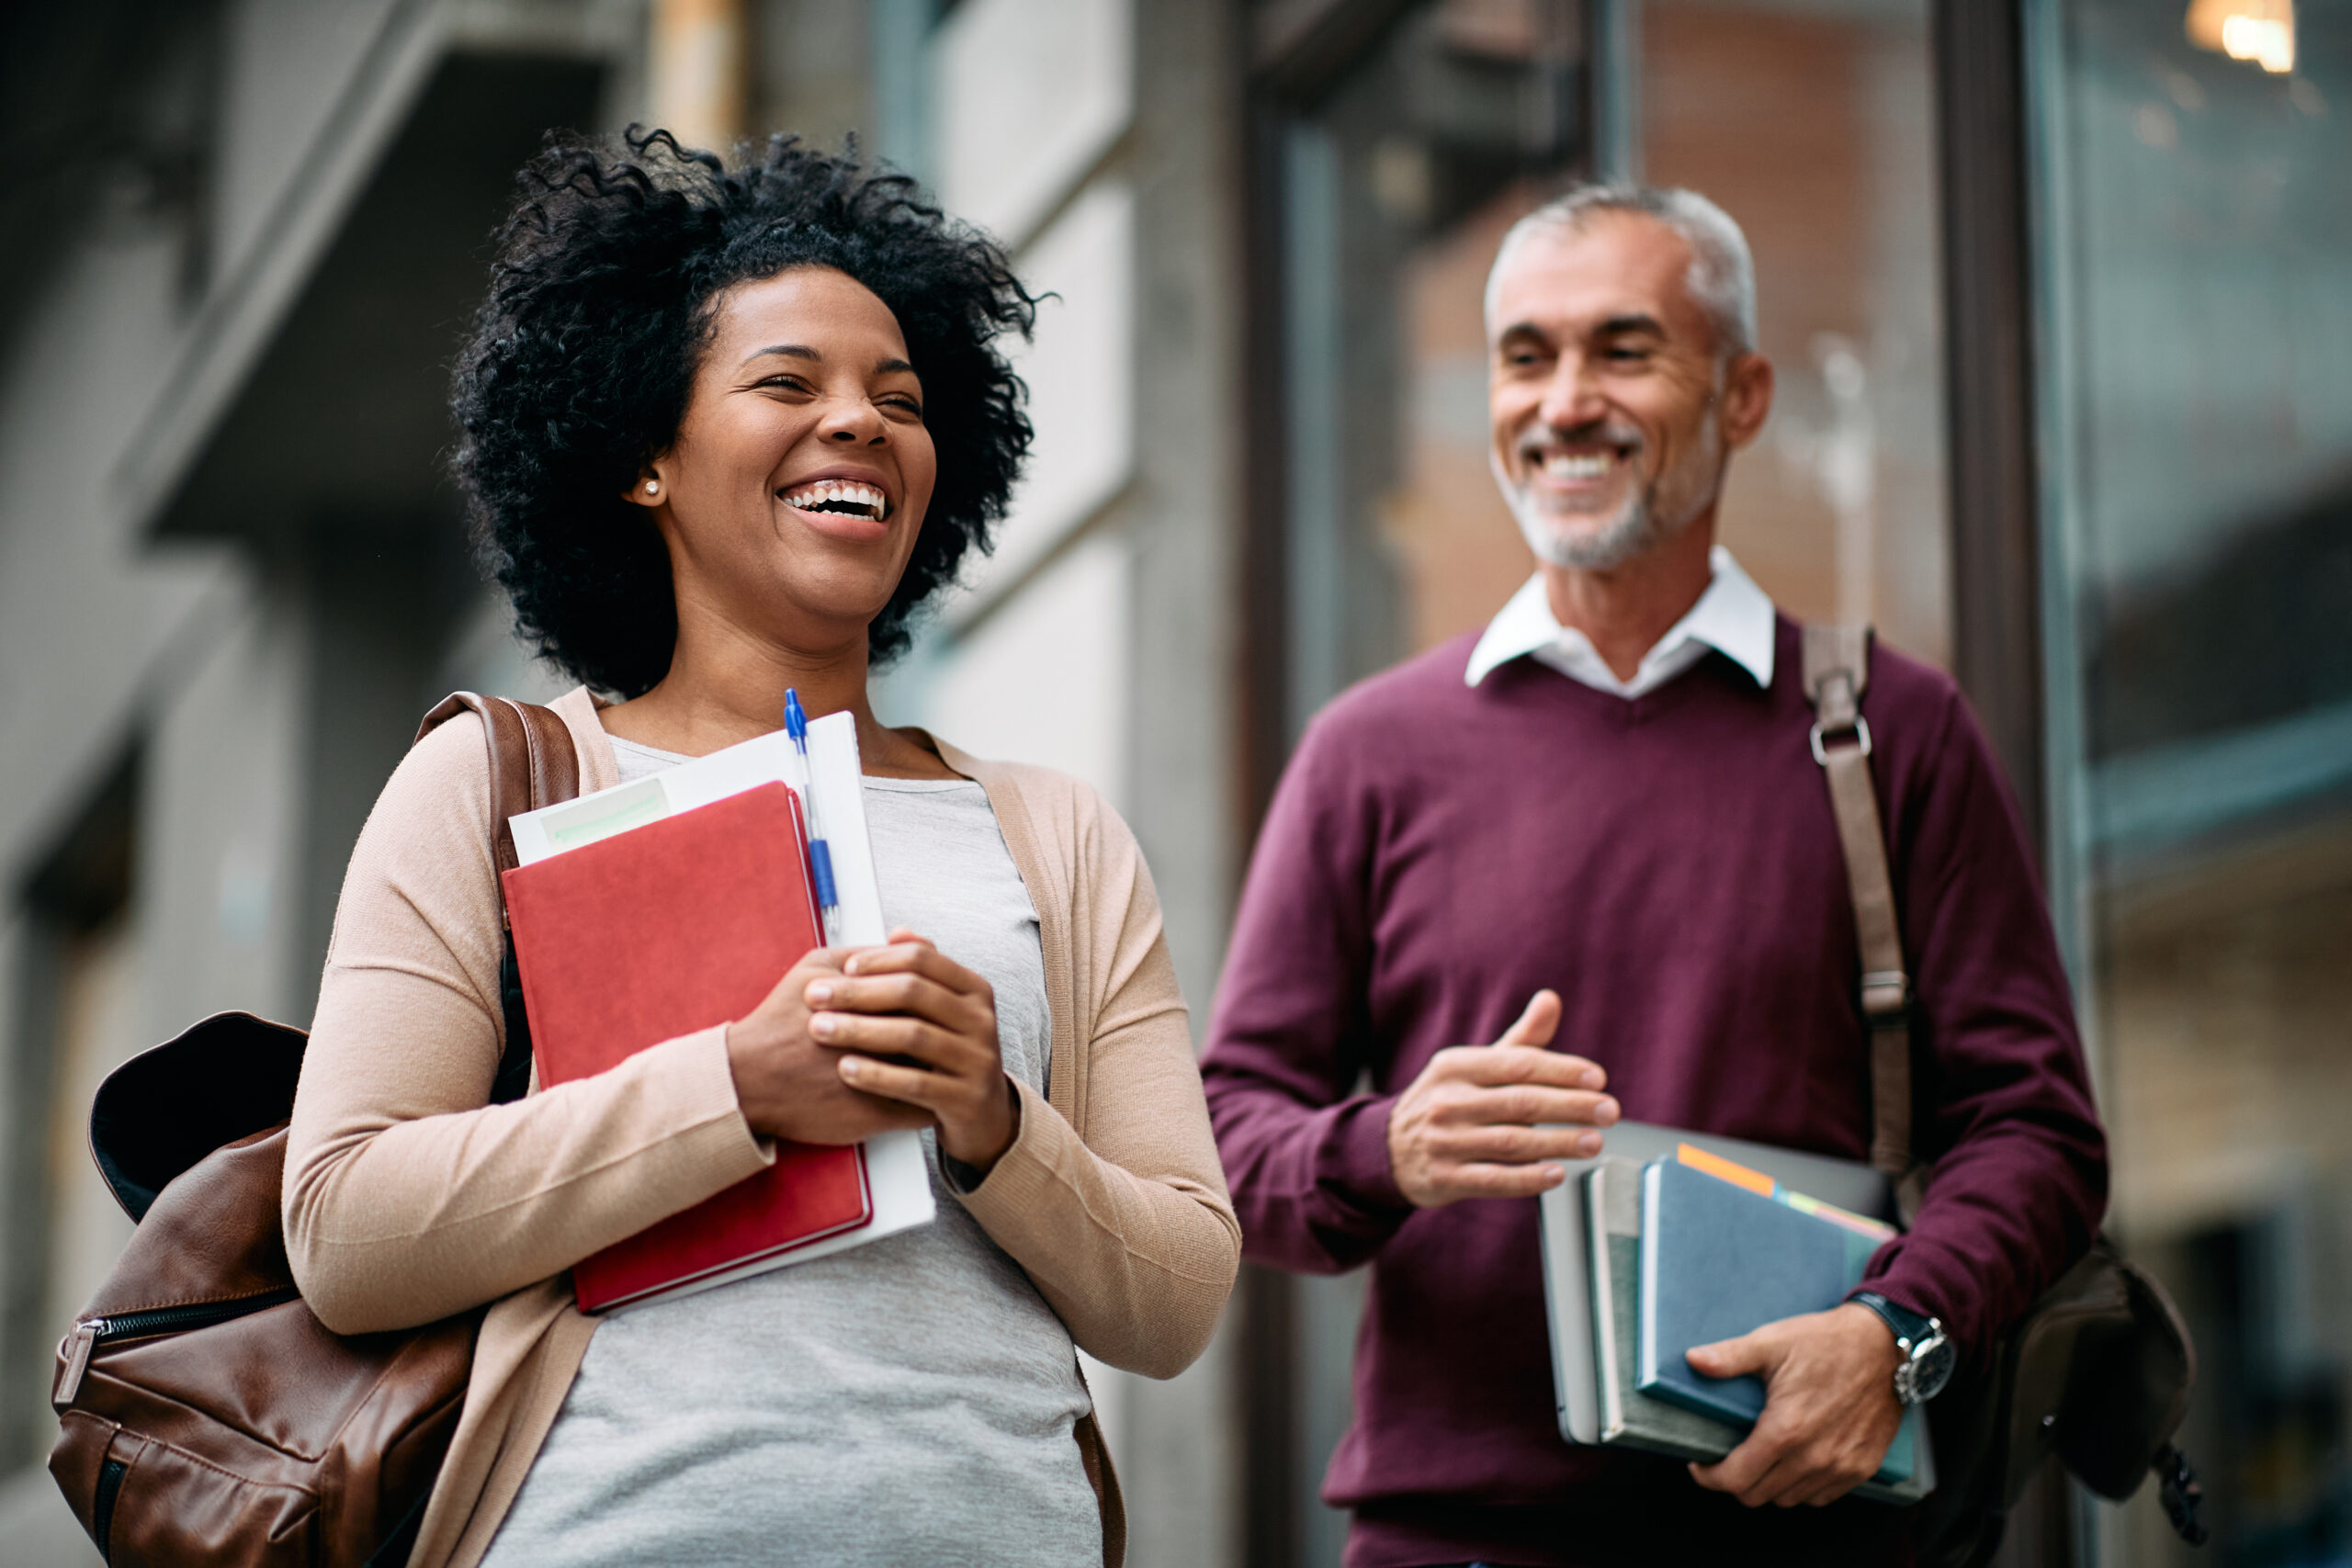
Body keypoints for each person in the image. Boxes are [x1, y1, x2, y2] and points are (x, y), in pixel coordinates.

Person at [281, 131, 1238, 1568]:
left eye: (899, 400)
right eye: (786, 384)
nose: (857, 423)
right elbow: (347, 1231)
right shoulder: (493, 780)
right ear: (647, 457)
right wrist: (737, 1086)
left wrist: (993, 1118)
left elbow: (1175, 1303)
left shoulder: (1054, 832)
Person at [1199, 185, 2107, 1566]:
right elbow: (1219, 1136)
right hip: (1458, 1539)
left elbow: (2037, 1131)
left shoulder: (1892, 731)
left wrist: (1893, 1330)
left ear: (1743, 395)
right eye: (1526, 356)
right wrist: (1389, 1146)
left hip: (1814, 1531)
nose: (1565, 402)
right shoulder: (1367, 753)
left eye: (1623, 351)